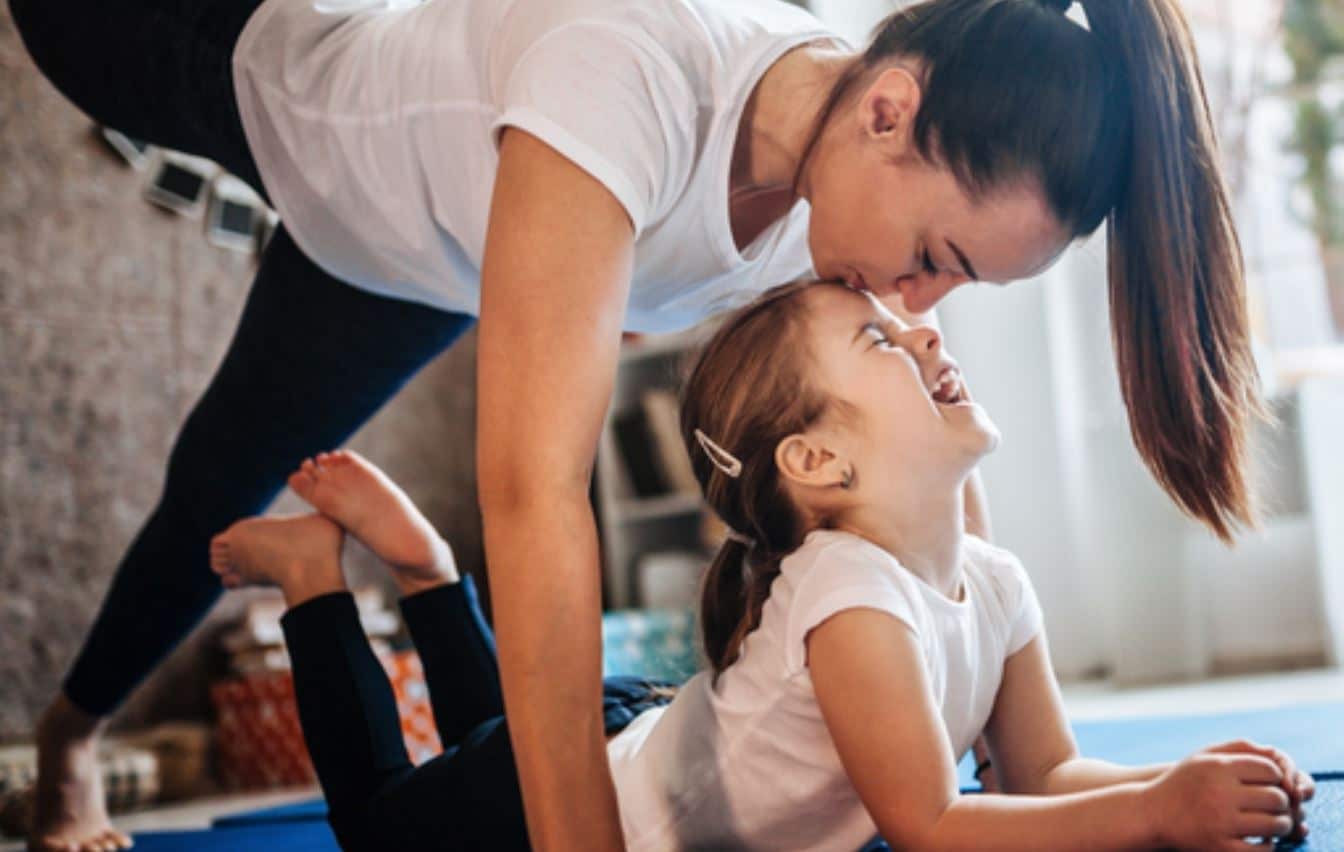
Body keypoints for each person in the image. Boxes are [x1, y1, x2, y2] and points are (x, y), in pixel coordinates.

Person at [8, 0, 1259, 846]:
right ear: (887, 109)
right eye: (935, 260)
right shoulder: (630, 71)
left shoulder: (844, 199)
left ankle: (66, 733)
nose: (920, 304)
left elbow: (917, 478)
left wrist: (977, 637)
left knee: (215, 487)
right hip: (255, 69)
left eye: (959, 284)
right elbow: (534, 496)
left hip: (408, 268)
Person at [209, 280, 1313, 852]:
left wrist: (1196, 787)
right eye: (886, 339)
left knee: (487, 745)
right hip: (603, 800)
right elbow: (932, 826)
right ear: (815, 461)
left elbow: (1041, 778)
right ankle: (320, 582)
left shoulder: (996, 580)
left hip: (633, 732)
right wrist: (1159, 813)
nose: (930, 335)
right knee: (384, 826)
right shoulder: (848, 590)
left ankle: (432, 576)